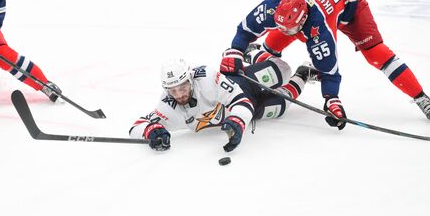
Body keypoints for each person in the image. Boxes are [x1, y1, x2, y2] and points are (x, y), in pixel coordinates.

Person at [220, 0, 430, 129]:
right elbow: (245, 29)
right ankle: (260, 55)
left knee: (376, 53)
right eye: (280, 24)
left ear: (304, 21)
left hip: (350, 8)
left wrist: (331, 100)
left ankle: (420, 97)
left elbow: (330, 71)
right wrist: (235, 51)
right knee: (272, 45)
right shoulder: (272, 7)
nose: (285, 31)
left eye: (291, 29)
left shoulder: (320, 31)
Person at [129, 58, 319, 152]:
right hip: (252, 111)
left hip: (245, 83)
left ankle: (253, 53)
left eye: (183, 87)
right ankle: (303, 73)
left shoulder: (206, 78)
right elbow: (136, 126)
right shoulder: (168, 106)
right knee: (282, 105)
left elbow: (240, 100)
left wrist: (237, 121)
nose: (179, 95)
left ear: (190, 79)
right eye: (173, 91)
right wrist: (151, 131)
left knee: (282, 69)